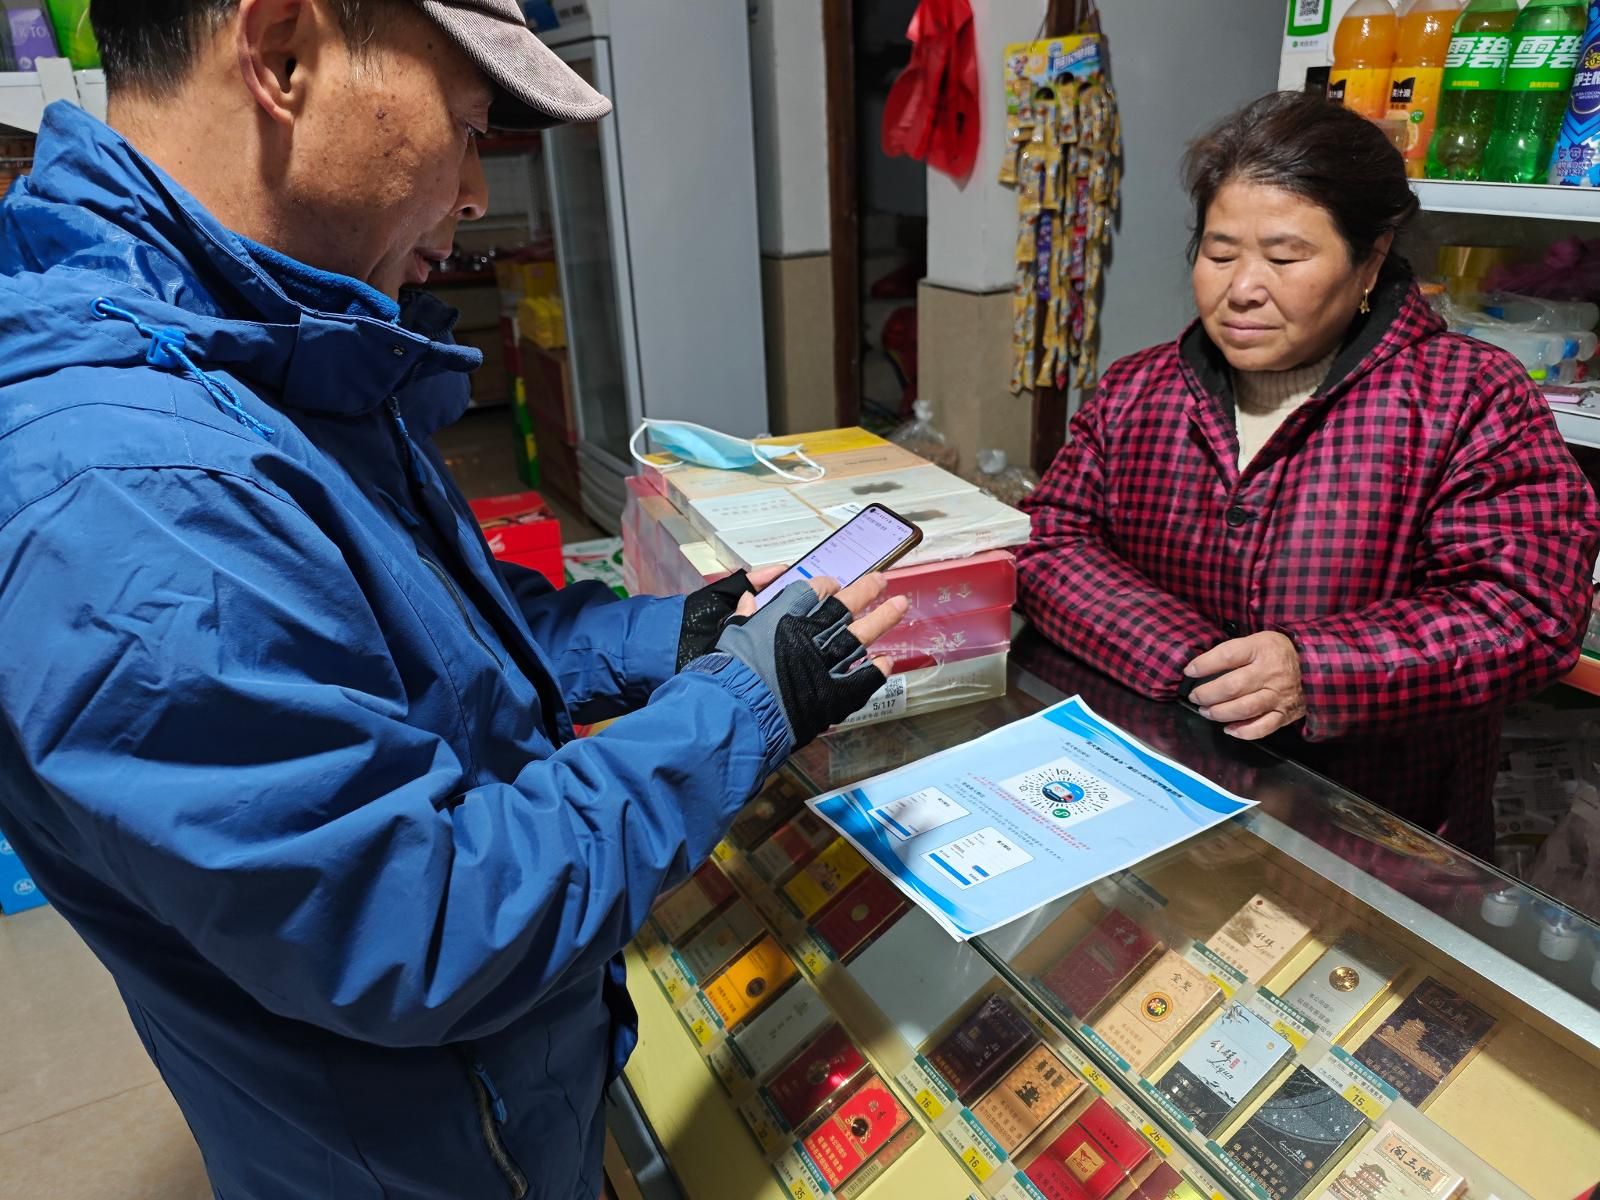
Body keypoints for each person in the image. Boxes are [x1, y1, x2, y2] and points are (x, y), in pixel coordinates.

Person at [0, 2, 905, 1197]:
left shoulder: (248, 346)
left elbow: (422, 638)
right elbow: (425, 923)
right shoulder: (130, 487)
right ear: (283, 53)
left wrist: (667, 636)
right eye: (469, 127)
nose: (474, 194)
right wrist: (741, 705)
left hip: (497, 1104)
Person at [1017, 91, 1600, 859]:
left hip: (1371, 831)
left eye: (1286, 257)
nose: (1242, 288)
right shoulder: (1140, 388)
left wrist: (1314, 670)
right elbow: (1051, 542)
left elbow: (1525, 609)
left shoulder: (1468, 397)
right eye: (1219, 253)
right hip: (1156, 791)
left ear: (1371, 260)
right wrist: (1190, 661)